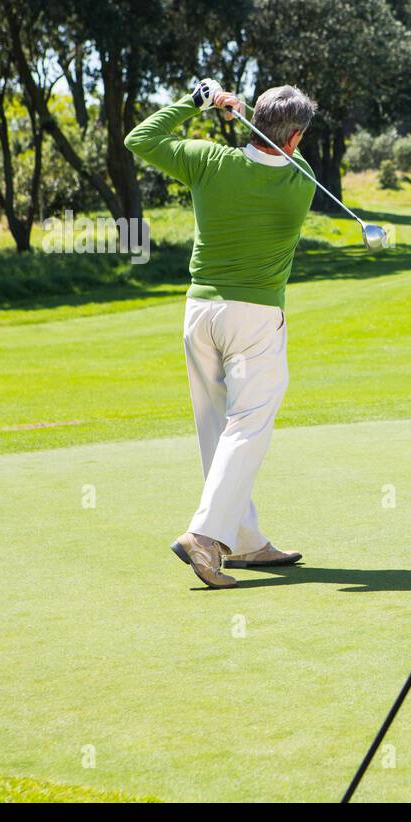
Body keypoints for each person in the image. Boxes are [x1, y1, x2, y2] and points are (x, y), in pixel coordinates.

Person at [124, 80, 317, 587]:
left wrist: (199, 103)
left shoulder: (209, 161)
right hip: (254, 316)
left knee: (217, 428)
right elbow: (271, 157)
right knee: (248, 425)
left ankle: (246, 540)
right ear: (295, 137)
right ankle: (206, 537)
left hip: (200, 310)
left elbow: (140, 140)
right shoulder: (302, 178)